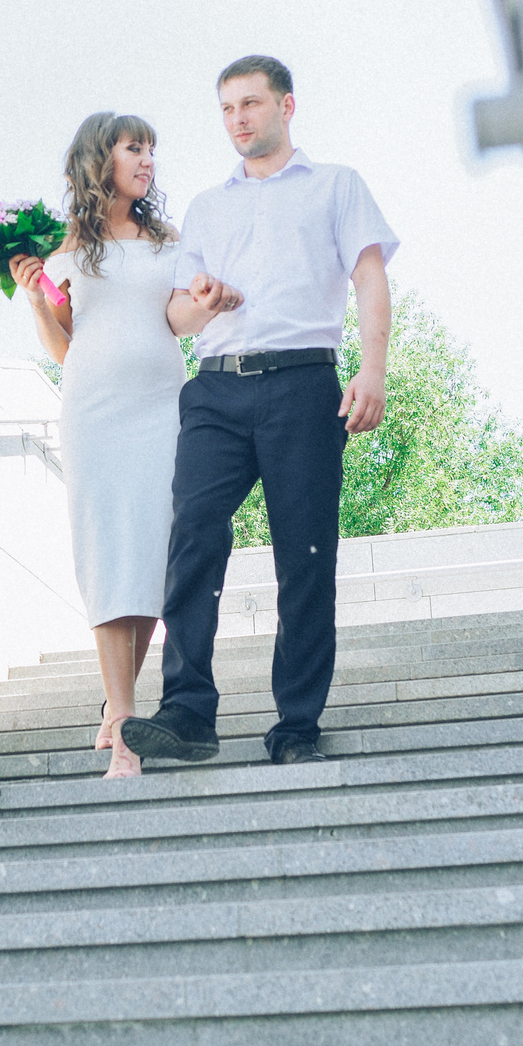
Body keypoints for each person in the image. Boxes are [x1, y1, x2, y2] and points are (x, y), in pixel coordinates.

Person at [119, 55, 396, 768]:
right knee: (192, 534)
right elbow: (178, 316)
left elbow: (369, 278)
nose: (238, 119)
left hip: (303, 384)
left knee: (304, 552)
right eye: (227, 108)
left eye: (250, 103)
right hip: (216, 387)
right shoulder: (209, 209)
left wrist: (373, 369)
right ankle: (186, 710)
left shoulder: (337, 185)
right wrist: (201, 300)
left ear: (286, 106)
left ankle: (297, 722)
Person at [10, 112, 242, 777]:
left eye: (151, 149)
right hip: (95, 412)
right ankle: (125, 734)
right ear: (98, 159)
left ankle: (117, 710)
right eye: (134, 147)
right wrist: (35, 300)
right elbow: (65, 346)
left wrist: (209, 303)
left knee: (152, 560)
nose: (147, 159)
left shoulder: (170, 240)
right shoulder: (66, 249)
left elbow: (180, 319)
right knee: (109, 555)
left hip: (163, 410)